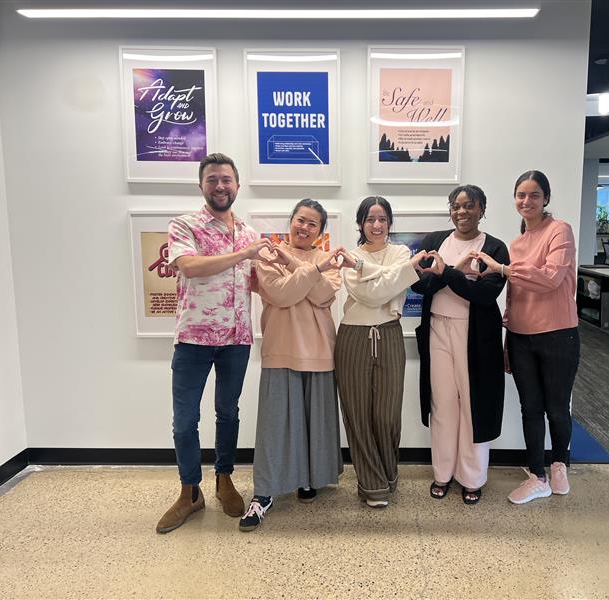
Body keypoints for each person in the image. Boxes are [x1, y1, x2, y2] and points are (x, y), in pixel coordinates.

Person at [157, 153, 274, 534]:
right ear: (202, 186)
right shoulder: (184, 225)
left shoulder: (249, 232)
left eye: (226, 179)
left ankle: (224, 480)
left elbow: (256, 282)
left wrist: (300, 275)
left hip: (237, 340)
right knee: (184, 421)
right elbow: (189, 266)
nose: (220, 186)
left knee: (228, 412)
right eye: (212, 180)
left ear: (237, 185)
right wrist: (243, 254)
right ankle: (190, 492)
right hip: (193, 339)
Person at [476, 170, 580, 504]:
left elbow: (551, 278)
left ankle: (560, 463)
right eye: (521, 195)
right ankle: (537, 475)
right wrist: (509, 341)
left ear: (546, 198)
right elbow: (515, 297)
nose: (526, 201)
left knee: (557, 407)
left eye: (534, 195)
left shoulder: (559, 230)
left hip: (558, 334)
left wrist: (503, 269)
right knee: (530, 408)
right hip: (521, 336)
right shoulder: (516, 244)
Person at [240, 199, 343, 531]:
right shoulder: (268, 255)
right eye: (301, 220)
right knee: (275, 425)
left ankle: (309, 479)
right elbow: (280, 294)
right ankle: (265, 493)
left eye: (313, 224)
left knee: (315, 423)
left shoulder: (327, 259)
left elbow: (324, 297)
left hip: (320, 350)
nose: (305, 228)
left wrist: (300, 270)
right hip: (280, 349)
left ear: (320, 231)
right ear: (291, 221)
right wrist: (309, 271)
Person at [411, 184, 509, 505]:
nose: (461, 212)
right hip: (437, 328)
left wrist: (446, 274)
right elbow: (422, 286)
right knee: (442, 404)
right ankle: (442, 473)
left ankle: (472, 477)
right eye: (456, 205)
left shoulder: (494, 248)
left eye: (469, 205)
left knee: (472, 405)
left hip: (475, 336)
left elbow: (483, 295)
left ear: (482, 209)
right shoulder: (434, 241)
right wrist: (458, 272)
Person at [335, 197, 429, 508]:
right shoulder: (350, 256)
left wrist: (374, 272)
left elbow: (387, 289)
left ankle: (389, 475)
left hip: (389, 336)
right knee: (358, 415)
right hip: (352, 337)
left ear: (390, 223)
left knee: (387, 415)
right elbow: (368, 294)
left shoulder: (400, 252)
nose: (377, 225)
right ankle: (372, 484)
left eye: (383, 219)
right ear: (360, 223)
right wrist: (398, 275)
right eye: (370, 219)